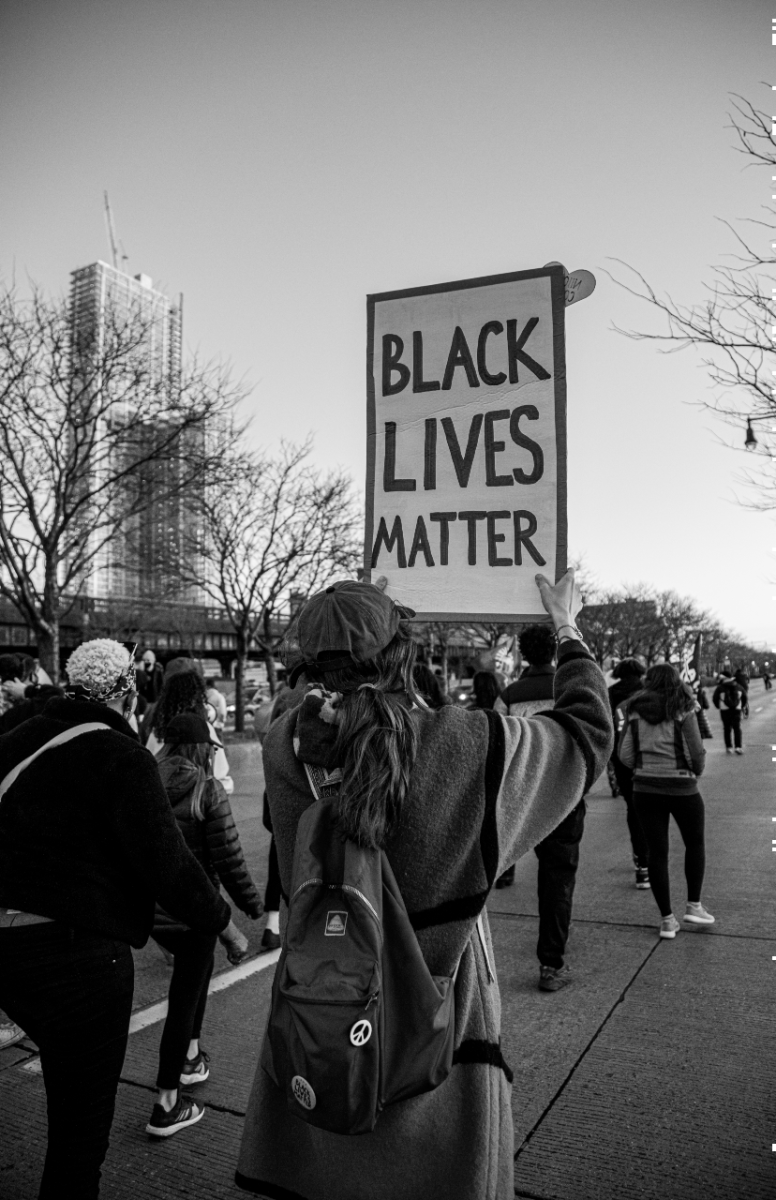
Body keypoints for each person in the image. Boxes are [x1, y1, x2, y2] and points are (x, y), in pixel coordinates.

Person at [235, 571, 613, 1200]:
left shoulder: (283, 746)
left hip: (324, 1040)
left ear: (307, 664)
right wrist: (567, 629)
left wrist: (359, 612)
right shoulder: (467, 744)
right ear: (403, 652)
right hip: (440, 1045)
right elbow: (585, 734)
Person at [0, 638, 231, 1199]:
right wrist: (224, 921)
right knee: (78, 1139)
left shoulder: (13, 740)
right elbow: (169, 865)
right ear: (127, 691)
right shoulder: (122, 757)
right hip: (78, 956)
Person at [148, 713, 262, 1137]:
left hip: (153, 912)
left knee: (194, 980)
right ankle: (166, 1102)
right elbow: (229, 859)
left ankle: (193, 1058)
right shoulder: (206, 788)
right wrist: (253, 908)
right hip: (194, 910)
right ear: (201, 749)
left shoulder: (145, 780)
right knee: (184, 998)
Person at [618, 663, 713, 939]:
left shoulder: (634, 710)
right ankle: (694, 906)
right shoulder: (684, 707)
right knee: (694, 843)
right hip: (682, 787)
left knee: (656, 853)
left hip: (645, 789)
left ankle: (667, 920)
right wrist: (694, 770)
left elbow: (625, 755)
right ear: (676, 681)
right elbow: (695, 752)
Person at [145, 668, 234, 792]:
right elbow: (220, 770)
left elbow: (149, 767)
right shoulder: (204, 729)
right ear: (197, 697)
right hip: (196, 802)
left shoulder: (158, 731)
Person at [608, 658, 650, 889]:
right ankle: (650, 858)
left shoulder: (610, 693)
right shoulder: (647, 691)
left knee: (633, 808)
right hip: (648, 755)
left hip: (621, 756)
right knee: (652, 808)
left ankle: (640, 862)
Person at [712, 670, 749, 755]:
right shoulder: (738, 686)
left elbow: (715, 699)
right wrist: (740, 706)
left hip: (724, 710)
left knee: (727, 728)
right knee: (737, 728)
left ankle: (729, 747)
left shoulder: (720, 687)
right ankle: (738, 747)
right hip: (736, 709)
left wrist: (719, 706)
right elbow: (745, 698)